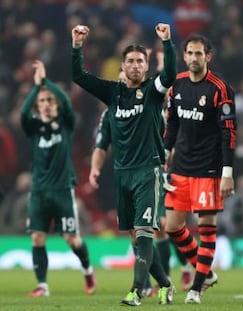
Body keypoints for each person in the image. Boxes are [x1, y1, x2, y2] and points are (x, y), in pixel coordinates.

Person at [72, 23, 176, 306]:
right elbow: (78, 76)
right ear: (123, 65)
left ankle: (135, 290)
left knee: (144, 232)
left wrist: (166, 43)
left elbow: (168, 74)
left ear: (145, 67)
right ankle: (166, 283)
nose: (135, 65)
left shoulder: (153, 91)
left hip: (149, 171)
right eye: (130, 61)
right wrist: (77, 46)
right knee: (135, 236)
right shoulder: (113, 93)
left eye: (140, 61)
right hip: (122, 174)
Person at [164, 33, 237, 304]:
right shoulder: (176, 85)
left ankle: (196, 288)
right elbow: (172, 124)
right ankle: (206, 272)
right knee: (172, 227)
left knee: (206, 228)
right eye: (190, 53)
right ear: (184, 56)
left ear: (208, 57)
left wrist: (227, 174)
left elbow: (229, 133)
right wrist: (165, 153)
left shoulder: (220, 88)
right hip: (181, 166)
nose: (194, 58)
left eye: (199, 54)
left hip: (209, 169)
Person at [20, 60, 96, 297]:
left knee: (72, 239)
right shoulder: (33, 127)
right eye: (42, 101)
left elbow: (65, 100)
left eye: (49, 100)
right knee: (37, 236)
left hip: (63, 190)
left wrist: (45, 83)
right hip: (39, 191)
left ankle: (87, 269)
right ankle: (42, 285)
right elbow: (23, 112)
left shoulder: (66, 124)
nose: (46, 104)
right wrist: (36, 88)